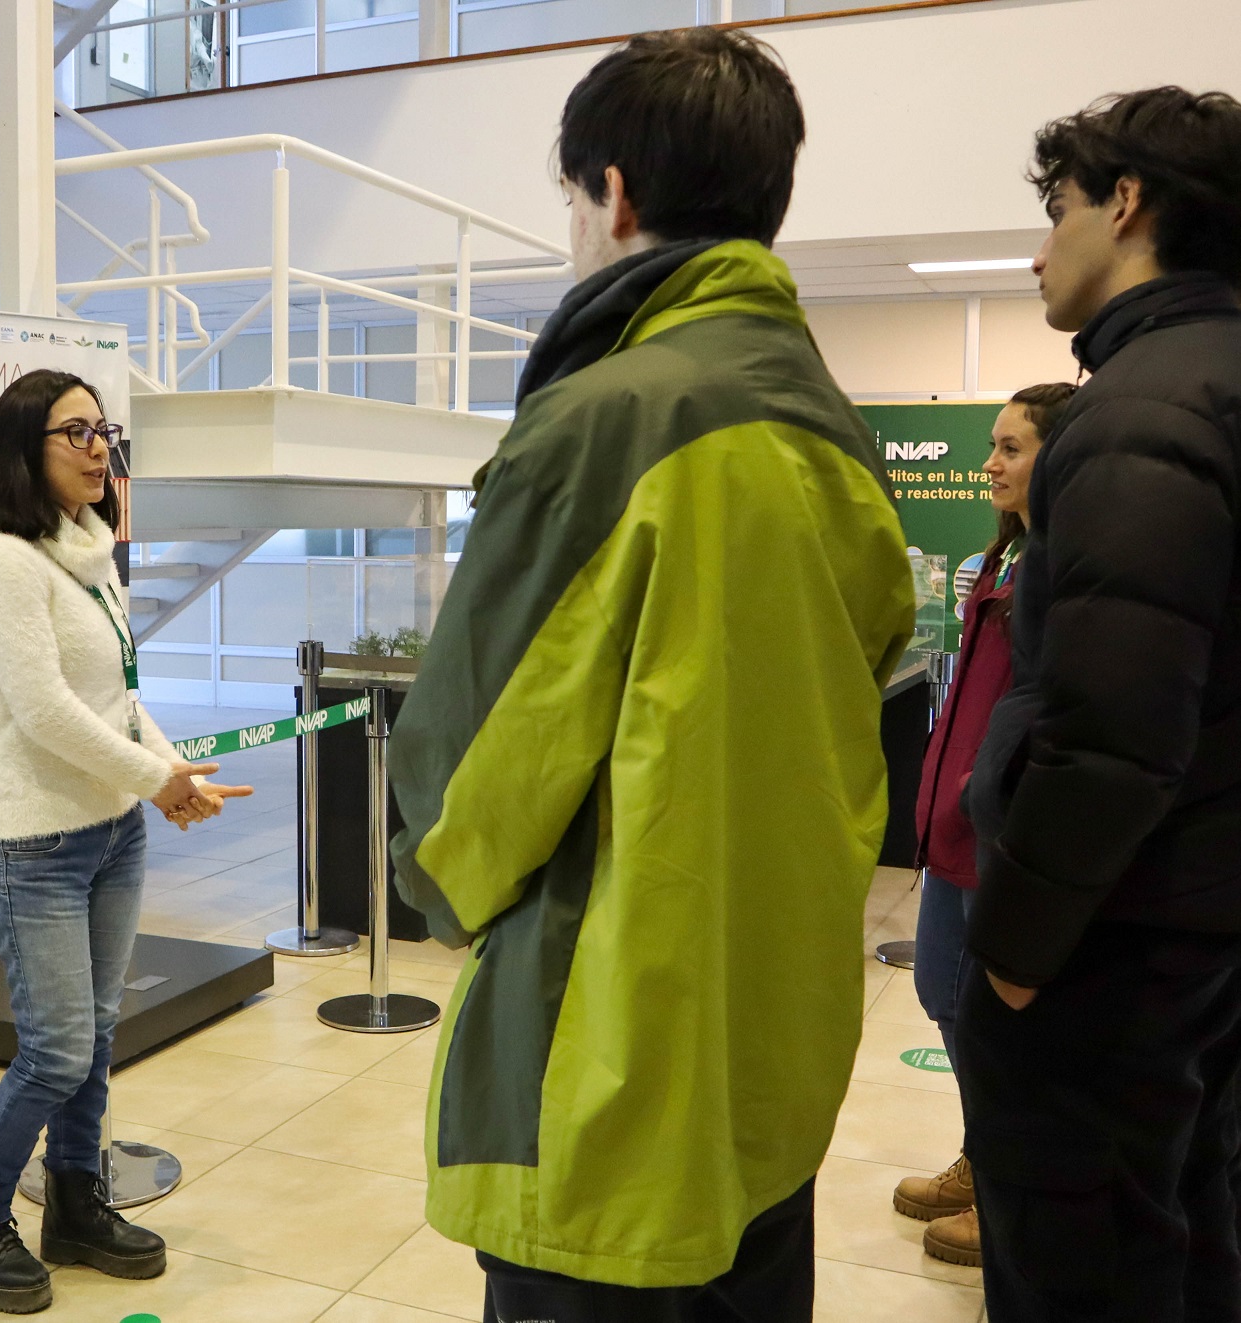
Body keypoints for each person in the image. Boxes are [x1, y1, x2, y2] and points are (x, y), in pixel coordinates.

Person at [386, 28, 916, 1323]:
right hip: (774, 1050)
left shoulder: (607, 416)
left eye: (569, 201)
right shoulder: (838, 436)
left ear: (612, 194)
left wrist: (432, 885)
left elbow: (468, 782)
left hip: (611, 1059)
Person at [957, 87, 1241, 1322]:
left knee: (1085, 1260)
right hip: (1191, 921)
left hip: (1116, 944)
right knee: (1182, 1226)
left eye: (1057, 211)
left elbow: (1114, 734)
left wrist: (1015, 954)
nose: (1039, 248)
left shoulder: (1140, 414)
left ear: (1126, 206)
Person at [0, 369, 252, 1314]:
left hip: (110, 834)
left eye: (102, 431)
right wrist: (152, 777)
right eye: (73, 433)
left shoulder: (88, 550)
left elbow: (118, 694)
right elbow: (42, 712)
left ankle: (76, 1205)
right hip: (35, 842)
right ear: (23, 449)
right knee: (57, 1048)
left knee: (97, 1037)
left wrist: (171, 775)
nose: (96, 449)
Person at [891, 381, 1076, 1268]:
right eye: (991, 446)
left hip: (1001, 835)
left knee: (998, 1021)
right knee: (942, 996)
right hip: (950, 832)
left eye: (1011, 448)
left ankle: (1010, 1185)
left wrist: (990, 787)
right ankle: (983, 1151)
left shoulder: (1069, 565)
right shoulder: (999, 560)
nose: (989, 462)